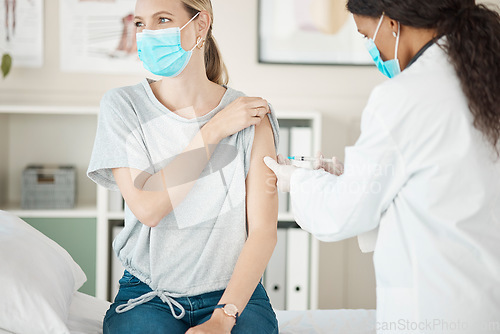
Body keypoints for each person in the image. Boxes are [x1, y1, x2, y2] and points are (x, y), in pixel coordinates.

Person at [265, 0, 500, 333]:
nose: (371, 48)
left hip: (437, 311)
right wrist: (354, 180)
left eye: (365, 35)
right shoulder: (484, 79)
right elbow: (444, 191)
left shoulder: (405, 96)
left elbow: (342, 213)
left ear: (391, 24)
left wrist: (300, 181)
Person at [87, 0, 280, 333]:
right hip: (149, 293)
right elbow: (149, 208)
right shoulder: (122, 106)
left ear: (200, 24)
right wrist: (214, 130)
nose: (148, 34)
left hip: (234, 293)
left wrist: (224, 317)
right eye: (140, 24)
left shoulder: (250, 115)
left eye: (163, 19)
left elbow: (263, 232)